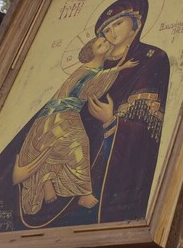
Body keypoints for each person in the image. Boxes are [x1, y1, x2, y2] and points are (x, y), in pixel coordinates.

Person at [0, 0, 171, 234]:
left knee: (75, 146)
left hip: (110, 165)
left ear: (136, 22)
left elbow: (151, 127)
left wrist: (111, 121)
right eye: (106, 30)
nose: (112, 32)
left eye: (118, 23)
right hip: (64, 123)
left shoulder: (151, 59)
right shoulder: (94, 67)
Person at [12, 36, 138, 216]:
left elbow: (95, 84)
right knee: (76, 144)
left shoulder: (98, 68)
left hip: (63, 112)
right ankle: (83, 193)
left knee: (55, 147)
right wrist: (120, 68)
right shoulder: (87, 69)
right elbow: (88, 88)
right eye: (99, 43)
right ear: (90, 50)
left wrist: (120, 62)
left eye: (106, 43)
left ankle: (48, 180)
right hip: (61, 112)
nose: (105, 44)